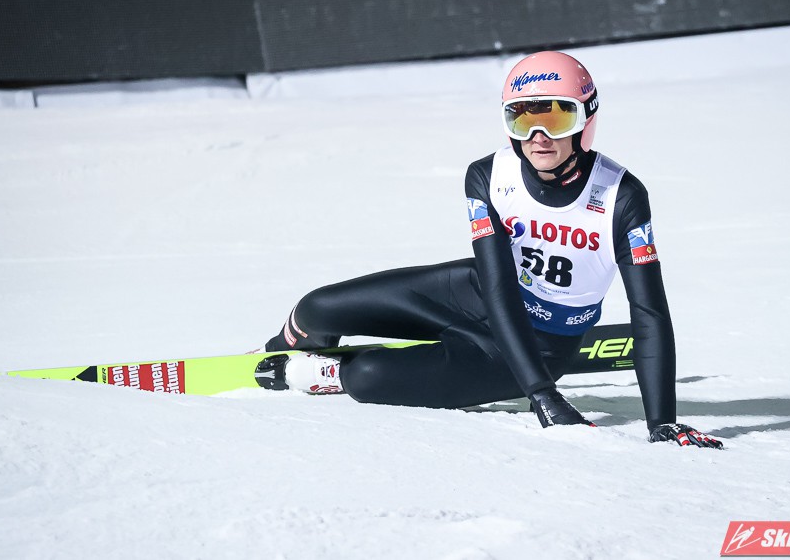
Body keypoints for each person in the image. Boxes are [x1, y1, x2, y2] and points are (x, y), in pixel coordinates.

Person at [258, 50, 723, 448]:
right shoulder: (488, 176)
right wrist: (542, 395)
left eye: (555, 118)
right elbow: (498, 288)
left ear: (586, 119)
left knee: (367, 377)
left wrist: (661, 422)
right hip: (475, 294)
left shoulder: (621, 196)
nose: (538, 136)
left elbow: (649, 312)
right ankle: (281, 347)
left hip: (542, 345)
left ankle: (327, 376)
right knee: (317, 307)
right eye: (521, 118)